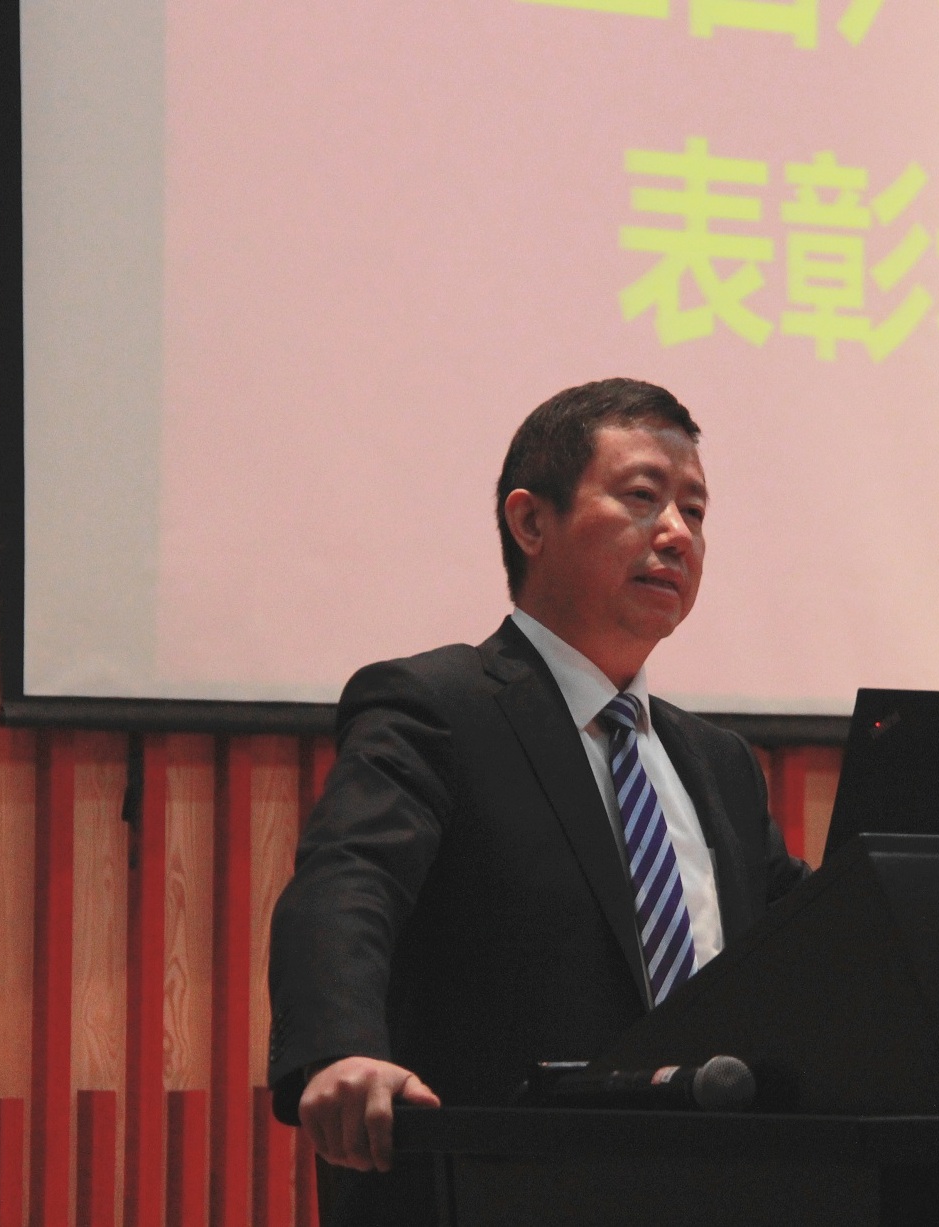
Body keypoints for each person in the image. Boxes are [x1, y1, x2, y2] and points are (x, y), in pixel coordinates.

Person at [266, 379, 810, 1225]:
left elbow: (803, 940)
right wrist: (341, 1049)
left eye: (696, 511)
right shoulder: (439, 708)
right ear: (530, 522)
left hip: (710, 1192)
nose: (676, 532)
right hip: (496, 1189)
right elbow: (349, 880)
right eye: (643, 497)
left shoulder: (720, 764)